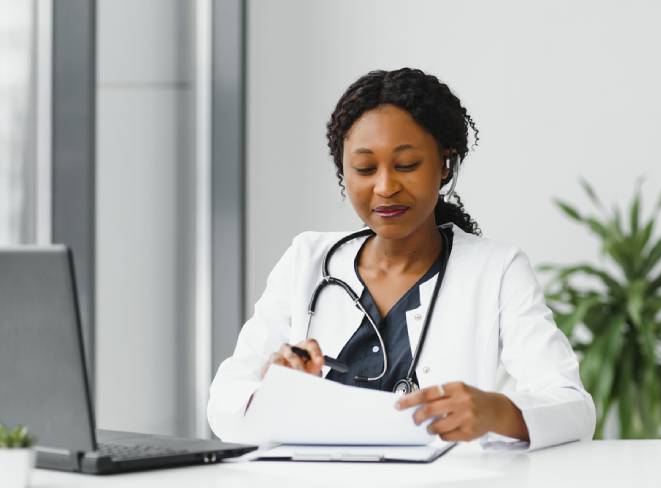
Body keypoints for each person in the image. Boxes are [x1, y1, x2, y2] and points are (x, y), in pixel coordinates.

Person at [207, 67, 595, 450]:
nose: (385, 187)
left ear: (446, 164)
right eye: (364, 168)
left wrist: (495, 412)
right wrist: (278, 390)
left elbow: (573, 408)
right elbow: (224, 402)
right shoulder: (306, 260)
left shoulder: (497, 270)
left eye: (406, 165)